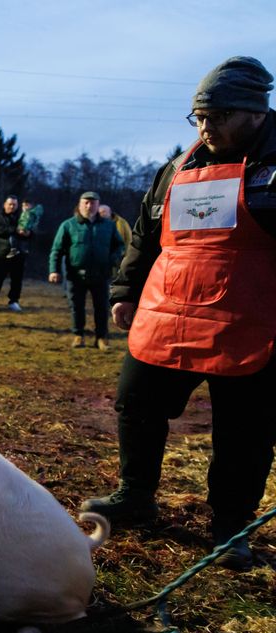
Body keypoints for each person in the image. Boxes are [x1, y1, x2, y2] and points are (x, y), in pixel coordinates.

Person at [82, 56, 276, 571]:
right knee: (135, 399)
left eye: (216, 116)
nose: (205, 127)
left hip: (250, 323)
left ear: (255, 113)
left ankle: (230, 528)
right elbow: (147, 233)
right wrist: (125, 289)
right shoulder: (180, 166)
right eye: (198, 117)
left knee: (245, 431)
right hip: (169, 312)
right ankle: (135, 495)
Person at [48, 191, 125, 349]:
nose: (89, 206)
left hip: (101, 274)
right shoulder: (68, 225)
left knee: (102, 307)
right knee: (76, 307)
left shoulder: (108, 225)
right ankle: (79, 335)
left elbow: (120, 245)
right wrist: (53, 270)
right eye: (86, 203)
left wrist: (113, 259)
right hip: (75, 275)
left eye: (93, 203)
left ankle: (101, 338)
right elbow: (57, 250)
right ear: (80, 204)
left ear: (98, 205)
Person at [0, 195, 29, 312]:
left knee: (17, 280)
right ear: (5, 204)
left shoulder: (23, 218)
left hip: (19, 252)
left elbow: (31, 233)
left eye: (14, 204)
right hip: (3, 253)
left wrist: (27, 233)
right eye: (10, 204)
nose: (12, 206)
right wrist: (16, 230)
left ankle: (14, 301)